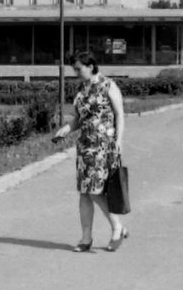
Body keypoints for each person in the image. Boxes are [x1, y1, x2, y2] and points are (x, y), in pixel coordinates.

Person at [52, 50, 128, 252]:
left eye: (78, 68)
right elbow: (79, 119)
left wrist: (119, 141)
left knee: (94, 191)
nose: (76, 72)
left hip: (103, 145)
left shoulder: (108, 85)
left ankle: (117, 227)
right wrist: (66, 130)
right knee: (85, 193)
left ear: (91, 66)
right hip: (85, 147)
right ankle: (86, 238)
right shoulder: (82, 90)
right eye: (74, 69)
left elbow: (120, 114)